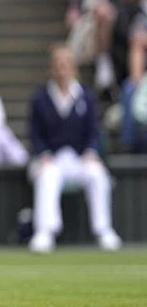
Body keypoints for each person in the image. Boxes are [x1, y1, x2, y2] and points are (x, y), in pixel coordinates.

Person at [27, 44, 123, 254]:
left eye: (66, 65)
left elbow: (93, 131)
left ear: (73, 68)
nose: (62, 70)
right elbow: (35, 134)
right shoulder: (40, 98)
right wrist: (43, 154)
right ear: (51, 69)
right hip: (51, 159)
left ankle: (104, 230)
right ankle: (46, 231)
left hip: (79, 159)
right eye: (57, 65)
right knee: (47, 176)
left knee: (97, 175)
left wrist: (90, 152)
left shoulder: (86, 96)